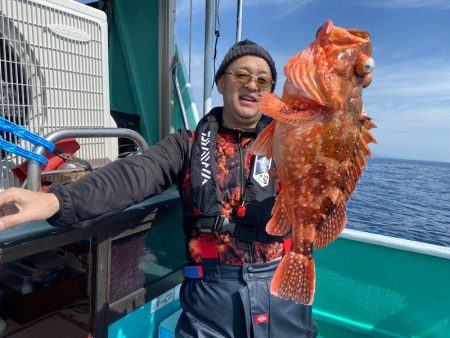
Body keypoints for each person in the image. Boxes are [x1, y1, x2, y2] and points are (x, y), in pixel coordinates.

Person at [0, 40, 317, 337]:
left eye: (263, 80)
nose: (252, 85)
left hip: (284, 284)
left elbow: (332, 157)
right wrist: (55, 201)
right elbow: (130, 176)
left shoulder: (293, 144)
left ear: (272, 93)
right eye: (242, 74)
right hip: (211, 299)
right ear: (221, 83)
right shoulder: (187, 145)